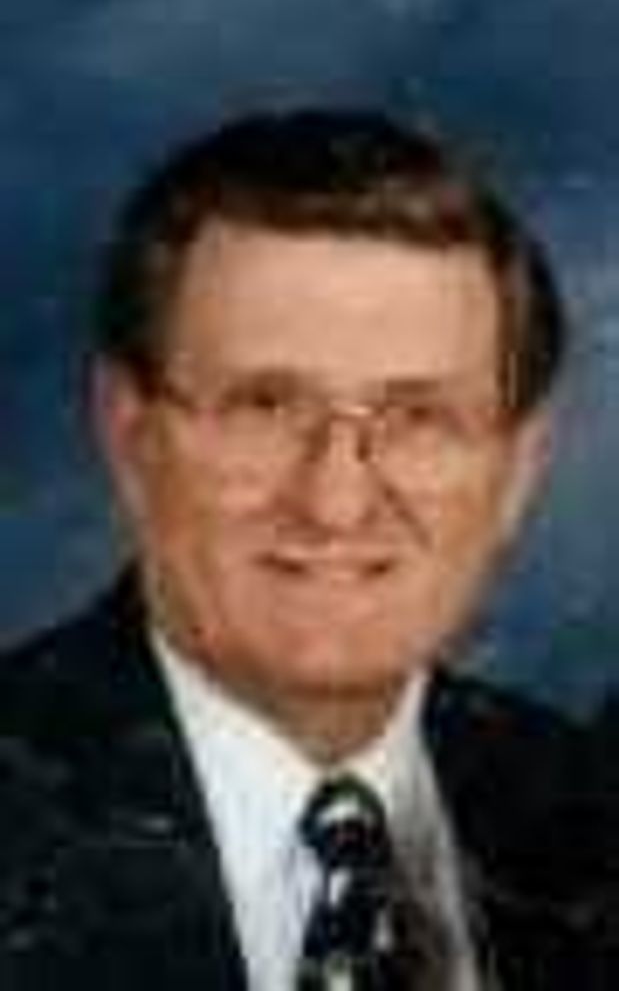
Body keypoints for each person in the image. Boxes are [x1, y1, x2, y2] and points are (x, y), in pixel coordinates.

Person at [0, 108, 613, 989]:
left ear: (517, 469)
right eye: (266, 407)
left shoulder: (586, 811)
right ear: (130, 434)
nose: (335, 502)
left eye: (418, 418)